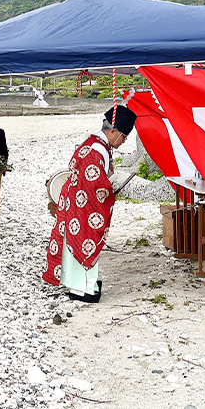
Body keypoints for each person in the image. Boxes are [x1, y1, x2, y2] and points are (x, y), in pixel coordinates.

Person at [42, 105, 137, 303]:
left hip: (74, 200)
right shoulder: (97, 149)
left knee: (72, 244)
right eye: (124, 137)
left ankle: (82, 285)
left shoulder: (93, 142)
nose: (124, 141)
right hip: (83, 204)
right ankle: (84, 288)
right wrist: (109, 193)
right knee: (84, 243)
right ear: (113, 131)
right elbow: (95, 185)